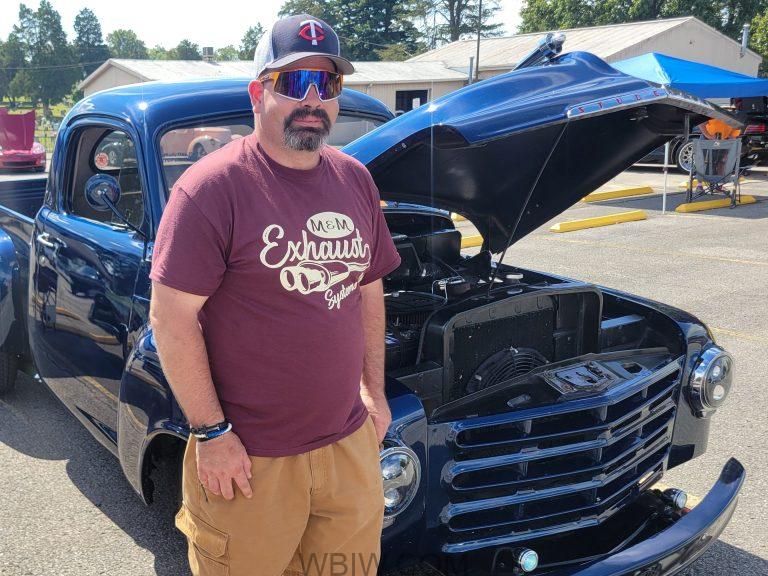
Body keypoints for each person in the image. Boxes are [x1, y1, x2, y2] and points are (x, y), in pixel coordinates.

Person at [148, 14, 401, 576]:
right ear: (257, 92)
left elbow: (368, 290)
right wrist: (212, 433)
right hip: (248, 460)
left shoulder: (355, 180)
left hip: (347, 450)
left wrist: (374, 393)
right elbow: (171, 320)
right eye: (294, 82)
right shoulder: (210, 189)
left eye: (326, 83)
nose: (312, 99)